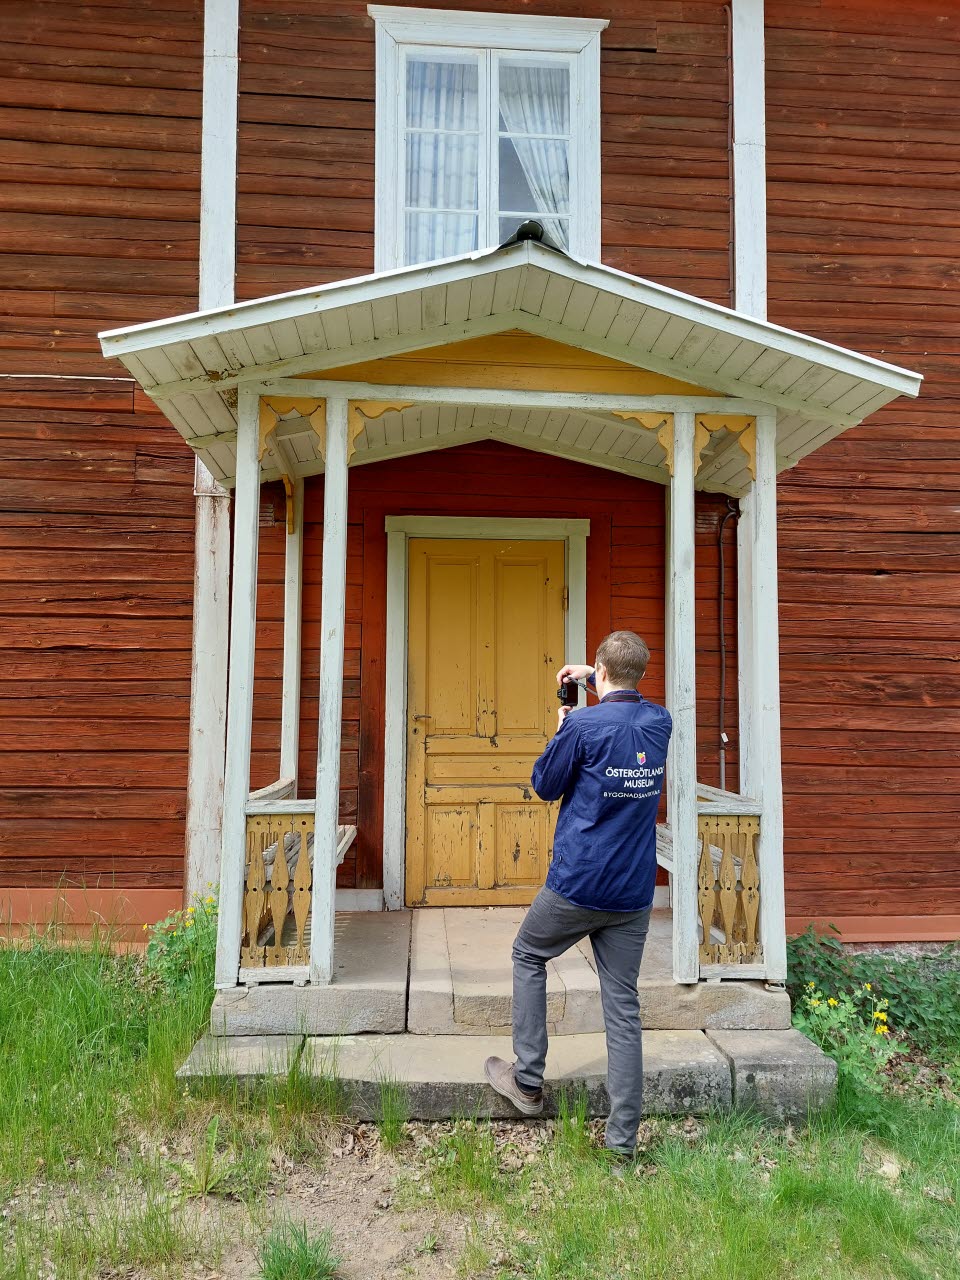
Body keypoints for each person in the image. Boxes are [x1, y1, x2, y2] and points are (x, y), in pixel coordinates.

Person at [483, 630, 672, 1159]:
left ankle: (527, 1082)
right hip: (632, 893)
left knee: (527, 953)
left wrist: (565, 726)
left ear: (600, 672)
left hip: (578, 883)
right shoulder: (660, 724)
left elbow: (545, 785)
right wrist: (597, 677)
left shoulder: (582, 726)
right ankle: (622, 1145)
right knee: (622, 1005)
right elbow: (626, 697)